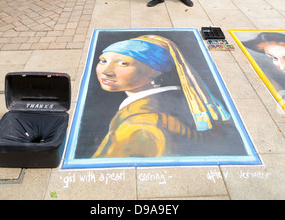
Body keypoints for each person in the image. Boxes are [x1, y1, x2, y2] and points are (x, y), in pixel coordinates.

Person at [92, 34, 244, 159]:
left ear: (155, 71)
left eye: (124, 63)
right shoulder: (184, 99)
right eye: (103, 61)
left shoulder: (140, 125)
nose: (107, 70)